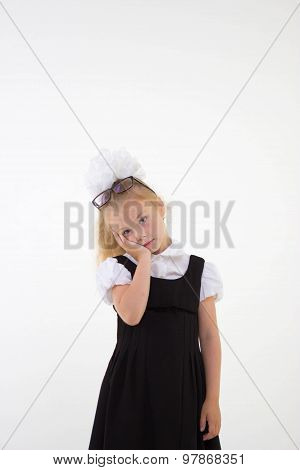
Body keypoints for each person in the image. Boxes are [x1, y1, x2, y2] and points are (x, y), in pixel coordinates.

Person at [84, 147, 224, 450]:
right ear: (116, 236)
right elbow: (132, 315)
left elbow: (210, 336)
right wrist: (144, 260)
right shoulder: (119, 271)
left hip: (184, 389)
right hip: (131, 391)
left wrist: (212, 398)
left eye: (143, 220)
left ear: (159, 207)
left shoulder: (200, 272)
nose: (139, 234)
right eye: (126, 230)